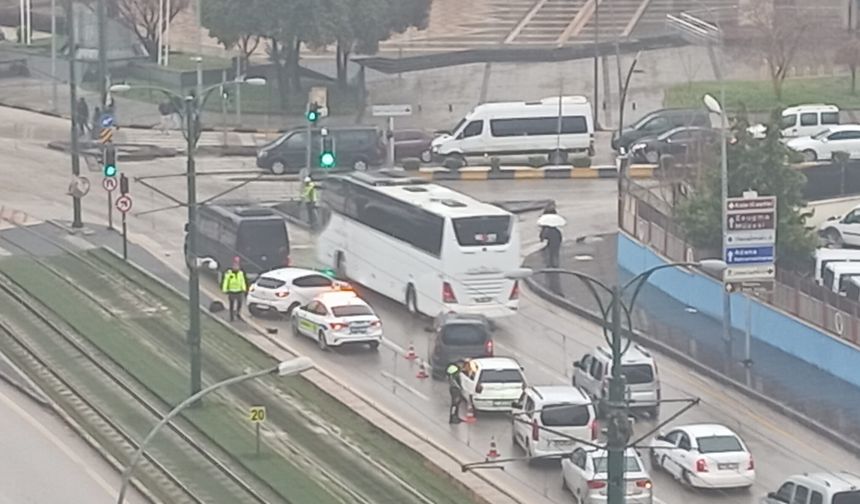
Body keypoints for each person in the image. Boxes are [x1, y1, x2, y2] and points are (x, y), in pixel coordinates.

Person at [220, 256, 248, 321]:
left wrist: (244, 288)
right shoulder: (229, 273)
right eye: (235, 266)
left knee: (239, 303)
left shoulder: (240, 273)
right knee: (231, 304)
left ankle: (238, 313)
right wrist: (225, 289)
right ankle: (231, 316)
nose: (236, 267)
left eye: (237, 266)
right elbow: (226, 281)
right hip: (231, 291)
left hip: (239, 291)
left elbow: (242, 281)